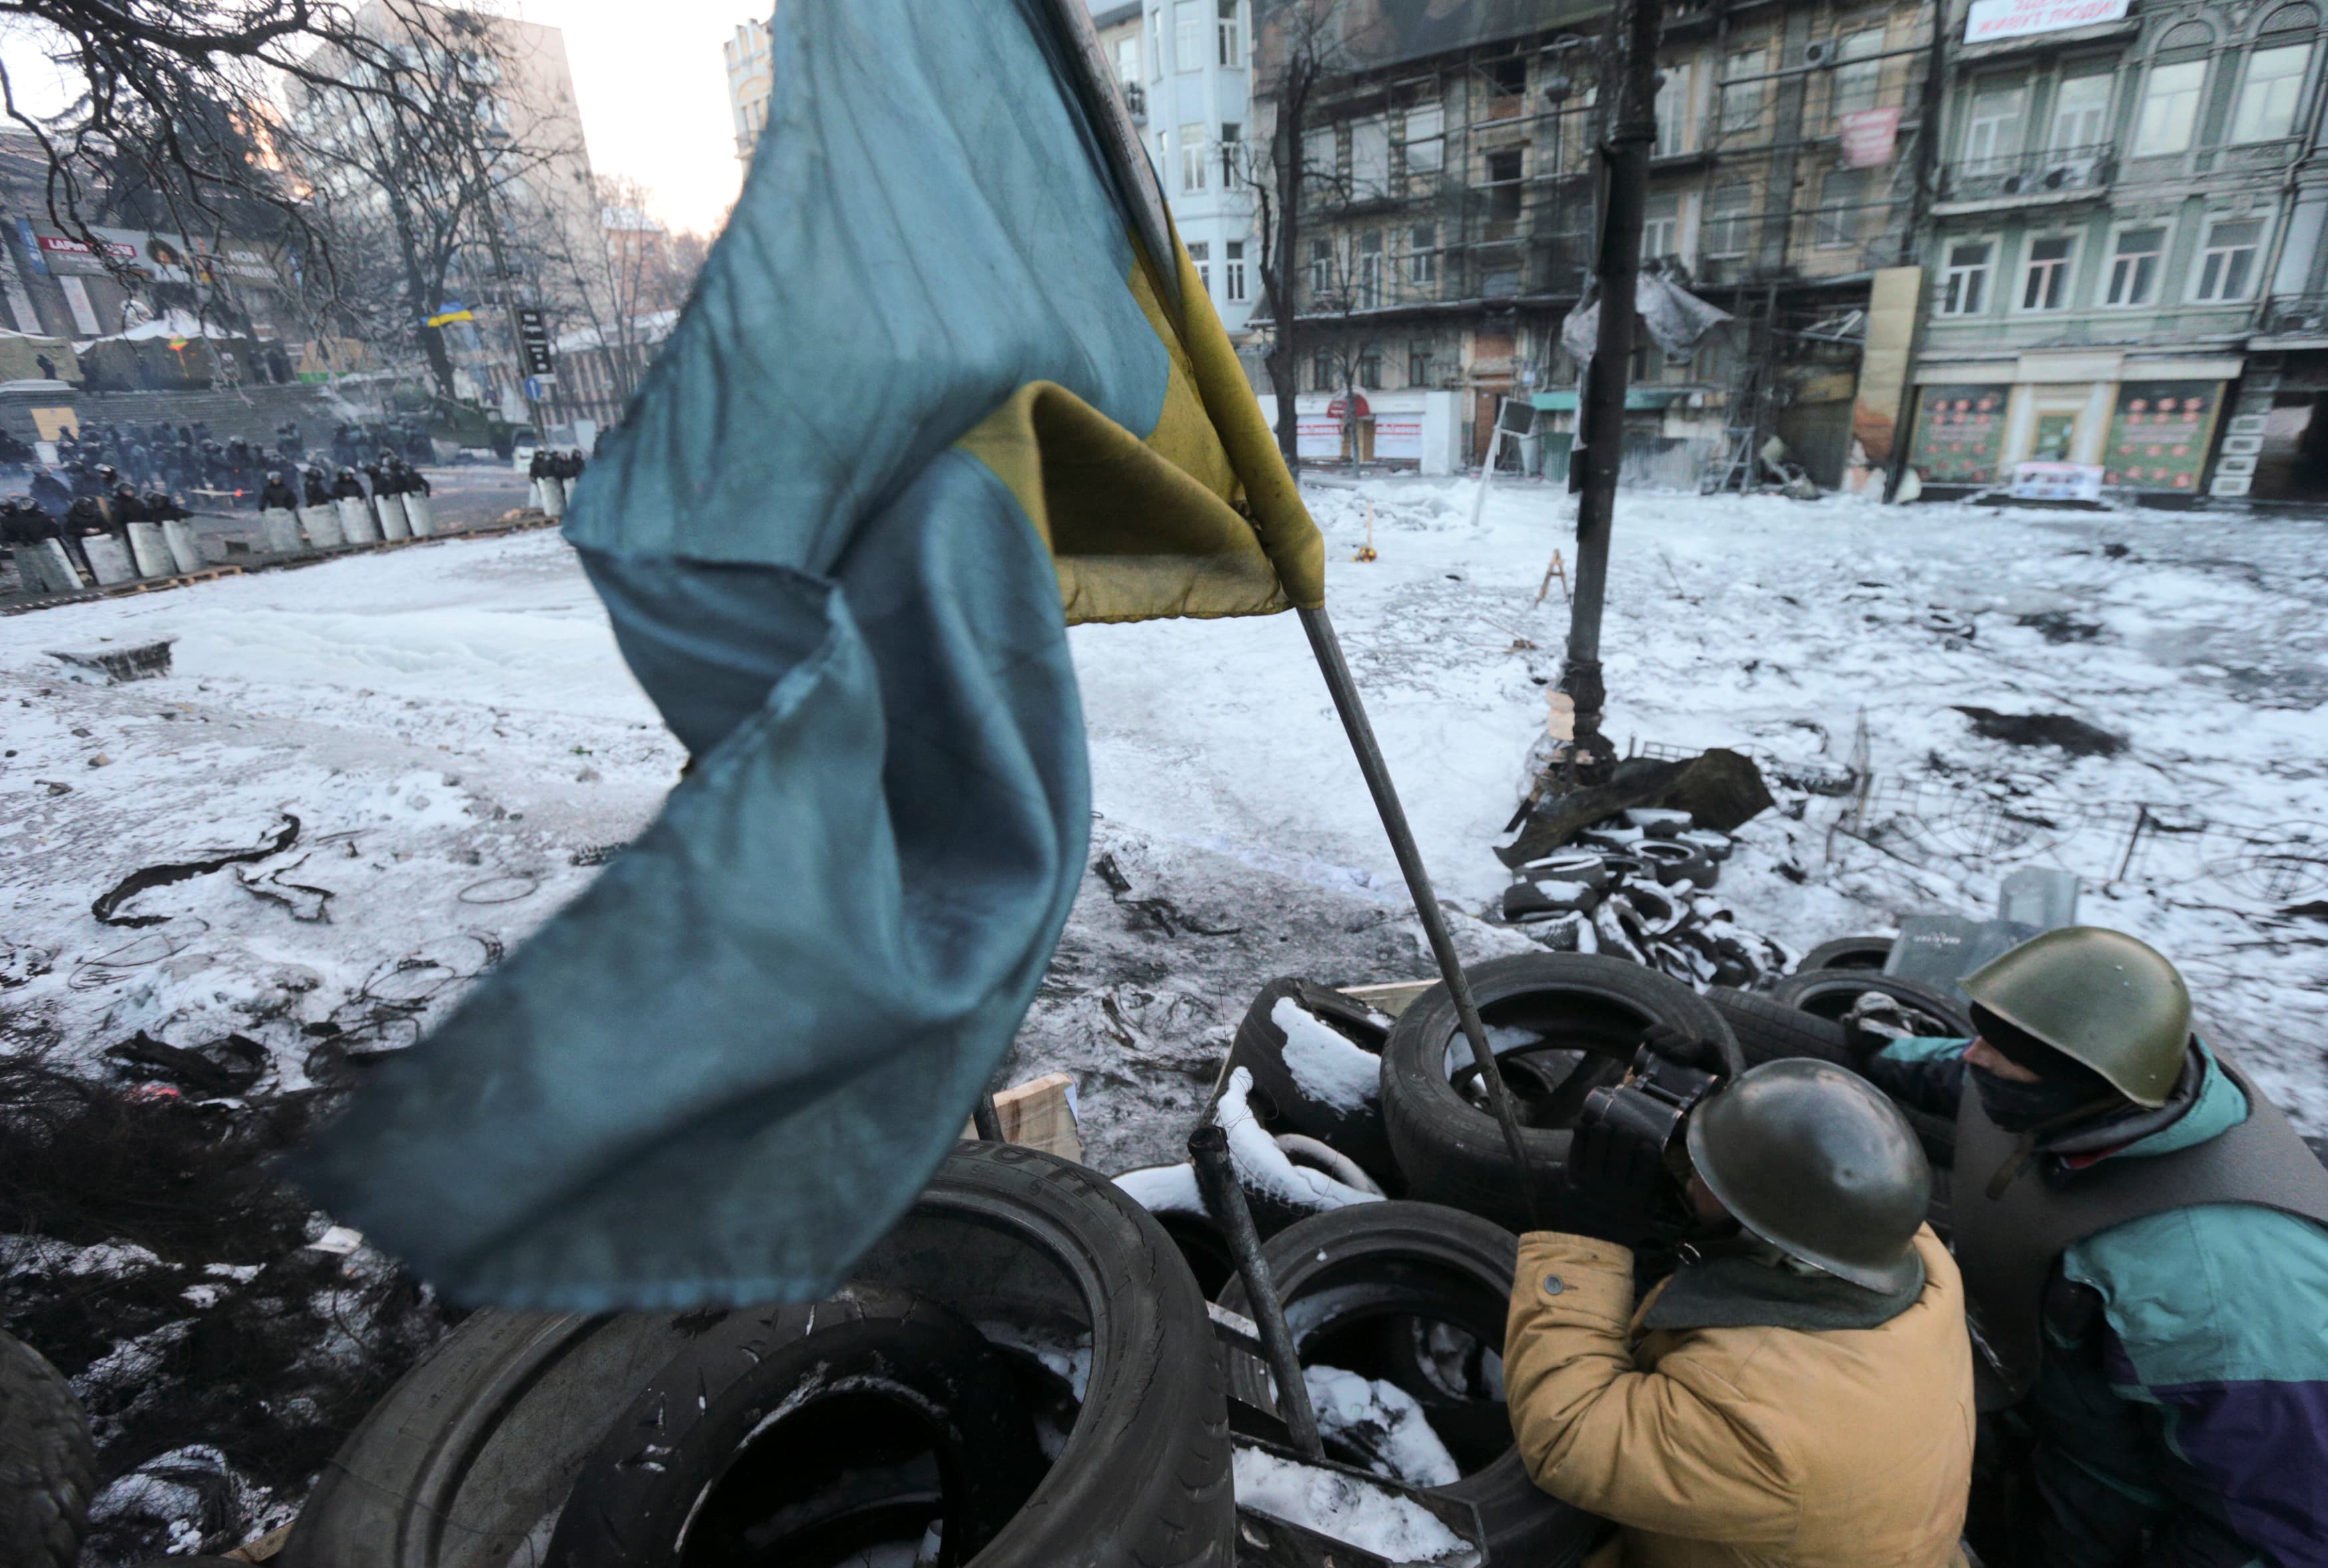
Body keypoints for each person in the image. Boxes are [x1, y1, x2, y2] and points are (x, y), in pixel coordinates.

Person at [1859, 928, 2328, 1567]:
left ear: (2081, 1081)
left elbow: (2280, 1527)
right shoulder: (2087, 1090)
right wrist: (1880, 1051)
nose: (1974, 1057)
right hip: (2051, 1424)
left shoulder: (2213, 1286)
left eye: (1998, 1048)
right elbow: (1971, 1074)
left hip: (2117, 1514)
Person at [1503, 1057, 1975, 1567]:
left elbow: (1567, 1438)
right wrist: (1725, 1114)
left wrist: (1590, 1243)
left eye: (1709, 1172)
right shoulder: (1900, 1256)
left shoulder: (1767, 1430)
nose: (1695, 1177)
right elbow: (1793, 1185)